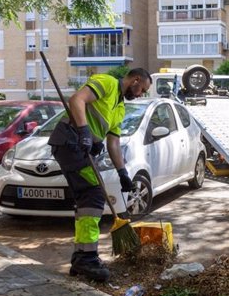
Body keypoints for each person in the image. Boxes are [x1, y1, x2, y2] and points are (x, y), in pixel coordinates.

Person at [48, 68, 152, 282]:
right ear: (135, 80)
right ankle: (86, 257)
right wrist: (85, 131)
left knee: (86, 200)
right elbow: (77, 99)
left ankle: (80, 255)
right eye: (143, 89)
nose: (141, 94)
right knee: (93, 194)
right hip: (69, 140)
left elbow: (113, 142)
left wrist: (123, 172)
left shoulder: (120, 107)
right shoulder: (107, 83)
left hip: (78, 147)